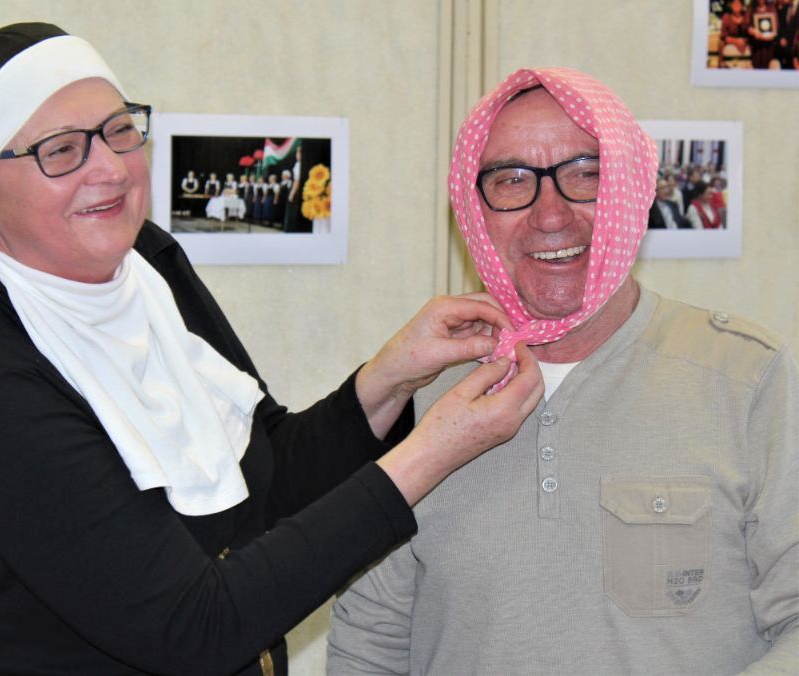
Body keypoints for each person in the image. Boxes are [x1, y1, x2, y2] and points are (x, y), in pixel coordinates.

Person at [0, 24, 545, 675]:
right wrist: (433, 451)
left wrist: (391, 376)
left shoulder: (149, 270)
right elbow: (195, 627)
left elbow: (267, 480)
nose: (109, 168)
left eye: (119, 130)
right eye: (61, 150)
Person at [328, 67, 798, 675]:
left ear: (632, 188)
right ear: (474, 212)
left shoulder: (747, 378)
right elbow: (370, 641)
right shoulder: (418, 391)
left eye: (585, 174)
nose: (550, 215)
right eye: (512, 180)